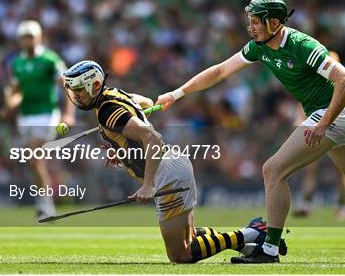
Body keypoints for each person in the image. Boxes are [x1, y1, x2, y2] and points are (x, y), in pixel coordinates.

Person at [156, 0, 345, 264]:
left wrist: (323, 124)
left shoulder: (302, 45)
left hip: (334, 113)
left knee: (273, 170)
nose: (250, 27)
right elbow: (219, 71)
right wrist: (177, 93)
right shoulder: (259, 46)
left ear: (273, 23)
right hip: (330, 115)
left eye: (256, 21)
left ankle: (269, 249)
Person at [61, 60, 287, 263]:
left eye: (79, 90)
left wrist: (148, 184)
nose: (76, 96)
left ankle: (252, 232)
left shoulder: (107, 110)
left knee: (181, 254)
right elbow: (146, 103)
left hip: (166, 172)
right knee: (187, 237)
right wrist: (121, 149)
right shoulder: (114, 96)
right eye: (73, 91)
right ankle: (250, 243)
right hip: (172, 167)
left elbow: (153, 137)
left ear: (96, 86)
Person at [1, 20, 75, 220]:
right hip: (26, 116)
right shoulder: (17, 63)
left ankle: (45, 203)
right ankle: (47, 199)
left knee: (34, 157)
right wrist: (10, 105)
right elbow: (16, 92)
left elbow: (66, 86)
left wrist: (69, 113)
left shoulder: (50, 60)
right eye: (24, 37)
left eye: (31, 37)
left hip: (47, 114)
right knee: (35, 162)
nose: (28, 41)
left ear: (39, 37)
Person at [292, 51, 345, 221]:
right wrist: (300, 122)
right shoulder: (315, 83)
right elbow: (302, 107)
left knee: (341, 171)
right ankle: (305, 204)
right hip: (316, 129)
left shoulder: (342, 85)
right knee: (310, 169)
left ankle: (341, 206)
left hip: (336, 129)